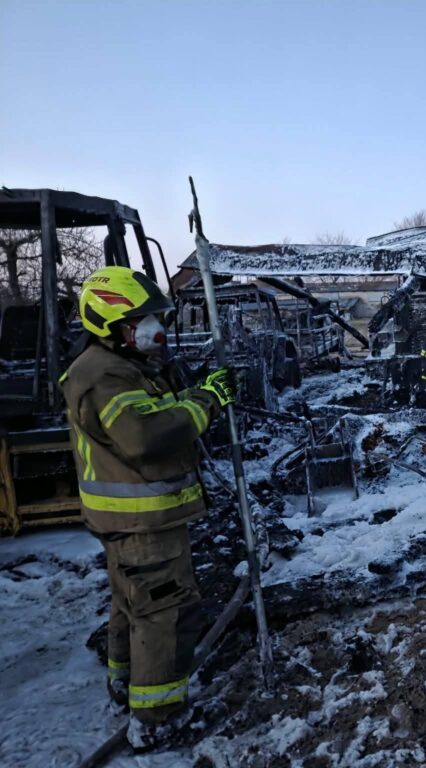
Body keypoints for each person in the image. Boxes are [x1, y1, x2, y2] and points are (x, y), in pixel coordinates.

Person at [61, 266, 235, 750]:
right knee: (165, 613)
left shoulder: (118, 366)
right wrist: (208, 402)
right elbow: (147, 435)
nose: (155, 328)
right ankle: (160, 718)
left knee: (131, 603)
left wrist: (190, 391)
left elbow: (152, 411)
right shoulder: (105, 374)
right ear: (110, 324)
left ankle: (124, 681)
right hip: (144, 521)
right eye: (141, 319)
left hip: (128, 520)